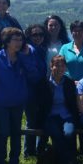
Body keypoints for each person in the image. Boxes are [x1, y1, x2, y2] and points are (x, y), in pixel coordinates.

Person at [0, 27, 39, 164]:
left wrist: (27, 58)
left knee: (16, 134)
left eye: (21, 40)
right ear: (7, 42)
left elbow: (34, 76)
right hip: (0, 104)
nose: (19, 43)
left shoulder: (23, 57)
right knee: (3, 134)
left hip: (18, 103)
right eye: (15, 40)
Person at [39, 55, 79, 164]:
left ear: (65, 68)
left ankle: (63, 162)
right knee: (56, 134)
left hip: (67, 116)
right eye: (56, 65)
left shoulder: (69, 83)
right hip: (50, 117)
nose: (59, 68)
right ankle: (67, 163)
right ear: (51, 66)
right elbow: (40, 105)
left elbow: (73, 104)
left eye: (62, 65)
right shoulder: (44, 83)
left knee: (68, 133)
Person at [23, 24, 49, 157]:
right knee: (32, 121)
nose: (38, 37)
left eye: (40, 34)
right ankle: (29, 152)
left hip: (41, 89)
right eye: (34, 35)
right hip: (31, 91)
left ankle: (39, 149)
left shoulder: (41, 49)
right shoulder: (29, 50)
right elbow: (31, 71)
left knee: (41, 120)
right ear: (29, 36)